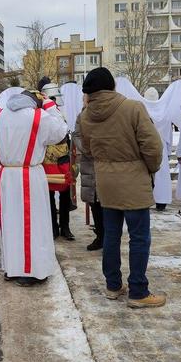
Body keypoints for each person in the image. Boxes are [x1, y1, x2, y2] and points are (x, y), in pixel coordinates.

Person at [79, 67, 166, 309]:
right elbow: (153, 147)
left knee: (111, 235)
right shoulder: (133, 108)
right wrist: (149, 169)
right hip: (133, 181)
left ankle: (113, 285)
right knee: (139, 237)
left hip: (105, 182)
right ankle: (138, 291)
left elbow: (87, 149)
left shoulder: (85, 116)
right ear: (112, 86)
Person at [0, 89, 67, 286]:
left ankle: (12, 267)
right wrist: (50, 105)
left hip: (5, 175)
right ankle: (32, 270)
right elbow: (61, 131)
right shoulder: (38, 116)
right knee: (32, 224)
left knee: (10, 224)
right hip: (28, 174)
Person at [38, 76, 74, 241]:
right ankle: (53, 227)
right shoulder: (39, 112)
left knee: (65, 191)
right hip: (46, 157)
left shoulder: (60, 111)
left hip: (63, 156)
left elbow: (66, 132)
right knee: (49, 194)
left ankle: (65, 226)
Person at [73, 100, 103, 251]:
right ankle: (100, 235)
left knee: (107, 203)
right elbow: (76, 134)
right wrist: (87, 148)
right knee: (94, 202)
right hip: (90, 164)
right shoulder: (82, 116)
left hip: (107, 163)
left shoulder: (109, 113)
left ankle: (108, 236)